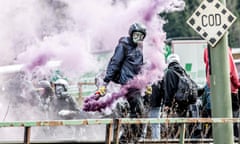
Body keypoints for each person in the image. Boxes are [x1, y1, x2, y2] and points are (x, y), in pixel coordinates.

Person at [95, 22, 150, 143]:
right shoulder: (123, 45)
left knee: (140, 112)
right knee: (138, 112)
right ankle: (126, 139)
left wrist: (146, 83)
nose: (138, 38)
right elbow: (115, 63)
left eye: (141, 36)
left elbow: (139, 67)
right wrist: (105, 83)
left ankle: (131, 138)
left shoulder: (139, 48)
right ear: (131, 34)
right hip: (127, 84)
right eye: (136, 35)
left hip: (136, 85)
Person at [204, 47, 240, 138]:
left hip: (213, 92)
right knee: (233, 120)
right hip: (230, 91)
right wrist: (238, 85)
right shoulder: (224, 50)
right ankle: (234, 138)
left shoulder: (208, 57)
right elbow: (233, 73)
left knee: (216, 120)